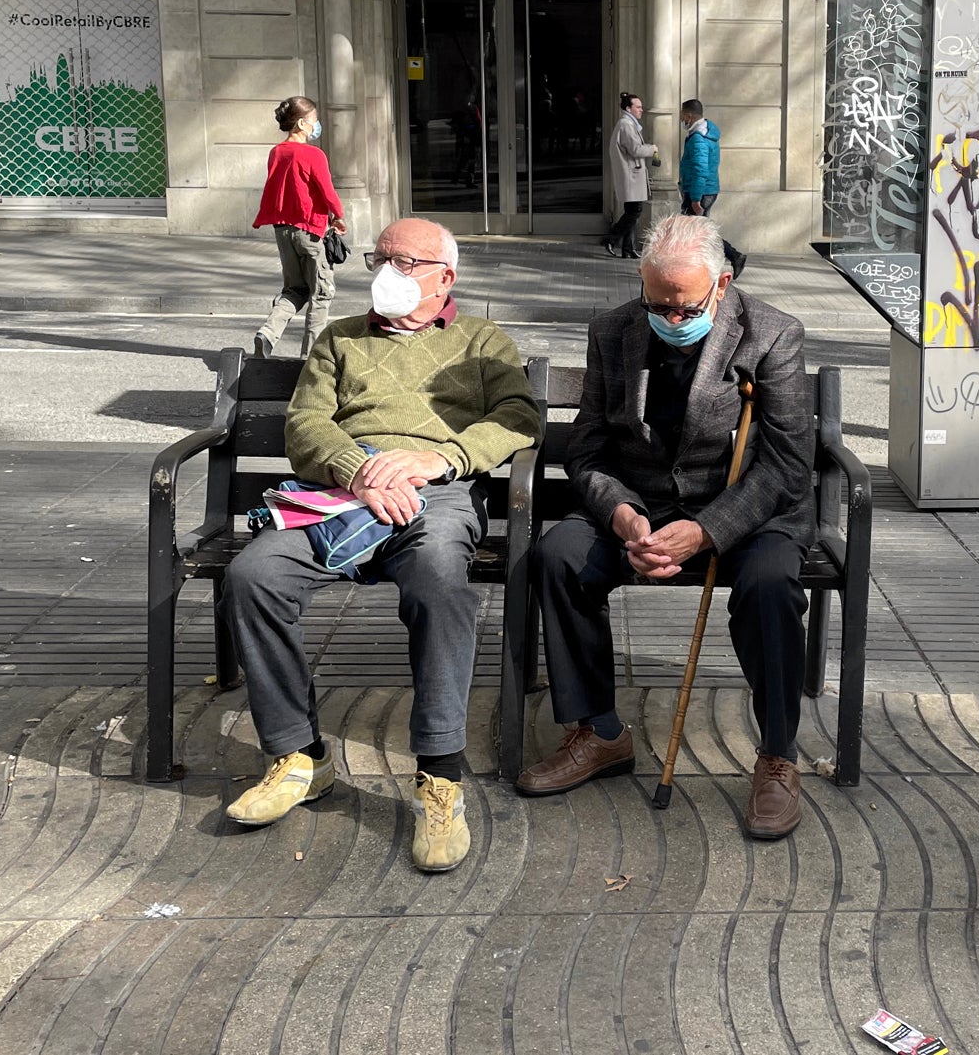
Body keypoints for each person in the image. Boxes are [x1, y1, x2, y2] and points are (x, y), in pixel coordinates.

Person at [220, 218, 541, 875]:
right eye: (380, 259)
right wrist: (355, 468)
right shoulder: (340, 339)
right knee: (253, 574)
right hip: (344, 492)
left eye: (404, 262)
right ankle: (299, 754)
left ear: (444, 277)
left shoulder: (483, 341)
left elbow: (516, 418)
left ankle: (441, 772)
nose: (386, 272)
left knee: (438, 578)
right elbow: (306, 421)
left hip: (439, 493)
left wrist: (440, 459)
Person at [517, 213, 816, 839]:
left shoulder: (773, 334)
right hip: (640, 505)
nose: (672, 320)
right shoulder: (613, 330)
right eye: (660, 305)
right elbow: (587, 450)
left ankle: (779, 754)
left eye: (686, 308)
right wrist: (623, 514)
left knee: (769, 587)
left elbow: (787, 464)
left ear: (723, 284)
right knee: (559, 556)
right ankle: (599, 732)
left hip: (743, 512)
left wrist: (707, 531)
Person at [251, 96, 348, 358]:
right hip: (310, 230)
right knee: (320, 293)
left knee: (294, 290)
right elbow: (327, 192)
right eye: (315, 120)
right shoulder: (314, 155)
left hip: (283, 231)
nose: (317, 125)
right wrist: (339, 216)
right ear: (303, 123)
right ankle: (310, 358)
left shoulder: (277, 152)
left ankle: (267, 334)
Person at [678, 99, 747, 276]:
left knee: (697, 231)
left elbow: (700, 169)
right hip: (705, 189)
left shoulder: (699, 139)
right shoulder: (704, 133)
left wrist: (694, 198)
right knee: (698, 230)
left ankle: (734, 255)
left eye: (682, 115)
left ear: (689, 115)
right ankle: (698, 267)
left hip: (700, 191)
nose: (681, 119)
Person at [603, 92, 659, 258]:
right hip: (631, 175)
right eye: (638, 107)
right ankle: (611, 239)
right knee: (634, 211)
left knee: (632, 211)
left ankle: (628, 248)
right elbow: (635, 149)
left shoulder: (628, 124)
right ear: (628, 108)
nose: (641, 110)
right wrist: (652, 149)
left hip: (632, 174)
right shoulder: (626, 125)